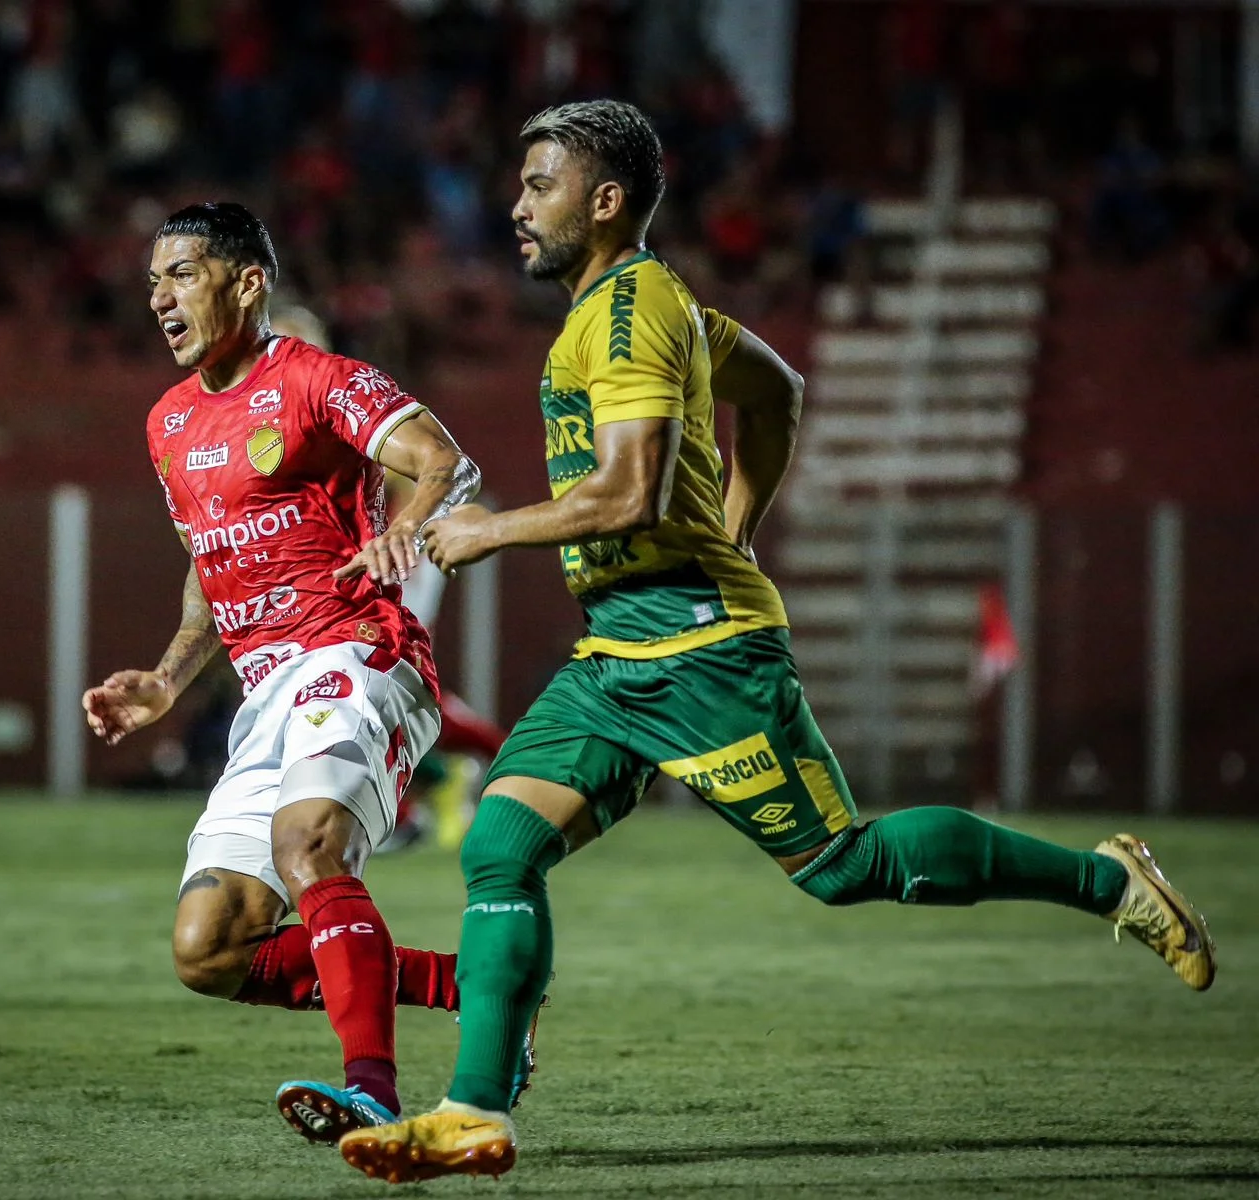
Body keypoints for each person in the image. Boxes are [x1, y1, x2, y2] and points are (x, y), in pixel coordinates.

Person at [339, 99, 1217, 1184]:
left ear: (605, 201)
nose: (514, 205)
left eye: (538, 185)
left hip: (701, 655)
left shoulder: (627, 313)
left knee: (843, 865)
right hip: (618, 655)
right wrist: (736, 528)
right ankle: (474, 1112)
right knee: (498, 848)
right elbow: (778, 390)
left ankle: (1107, 882)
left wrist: (486, 530)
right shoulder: (643, 311)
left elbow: (625, 491)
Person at [82, 202, 528, 1146]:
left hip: (359, 654)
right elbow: (212, 558)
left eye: (183, 274)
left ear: (248, 282)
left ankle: (371, 1089)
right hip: (264, 690)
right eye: (153, 279)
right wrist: (167, 679)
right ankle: (473, 986)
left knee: (307, 843)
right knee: (210, 947)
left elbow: (444, 459)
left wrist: (404, 524)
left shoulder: (323, 379)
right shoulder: (168, 423)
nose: (161, 297)